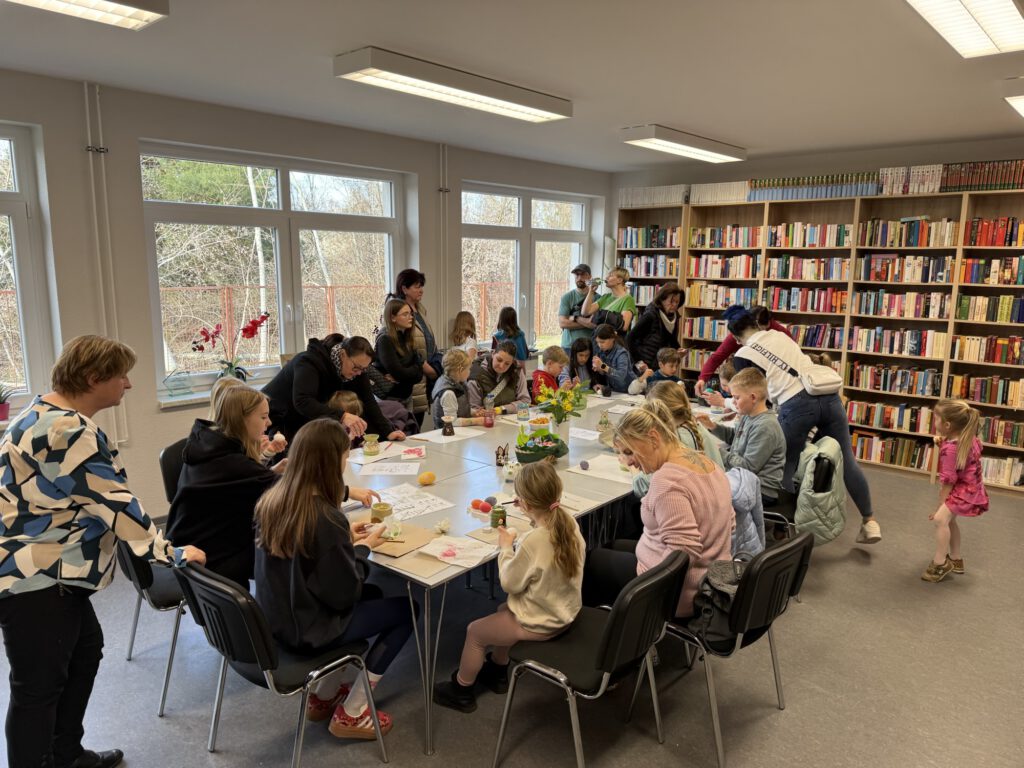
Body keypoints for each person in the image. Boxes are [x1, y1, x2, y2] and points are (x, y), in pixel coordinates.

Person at [0, 335, 206, 768]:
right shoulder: (66, 431)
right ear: (94, 378)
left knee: (84, 651)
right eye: (121, 376)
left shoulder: (43, 412)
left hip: (50, 571)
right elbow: (115, 505)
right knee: (36, 689)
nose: (128, 384)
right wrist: (174, 554)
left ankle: (66, 753)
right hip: (37, 578)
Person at [254, 419, 416, 740]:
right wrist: (363, 549)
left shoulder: (273, 500)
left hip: (276, 622)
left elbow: (308, 557)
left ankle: (324, 695)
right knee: (408, 610)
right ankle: (353, 712)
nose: (346, 460)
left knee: (374, 594)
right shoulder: (326, 518)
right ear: (332, 462)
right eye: (345, 455)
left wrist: (345, 541)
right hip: (308, 630)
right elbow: (345, 593)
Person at [432, 462, 585, 713]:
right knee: (504, 610)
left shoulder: (534, 540)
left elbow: (510, 584)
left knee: (475, 632)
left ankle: (461, 690)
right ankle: (498, 670)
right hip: (564, 610)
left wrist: (506, 548)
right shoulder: (568, 522)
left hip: (544, 622)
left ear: (524, 504)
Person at [727, 307, 882, 544]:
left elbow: (751, 395)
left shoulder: (744, 354)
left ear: (735, 338)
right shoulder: (779, 335)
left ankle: (781, 529)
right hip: (828, 396)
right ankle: (869, 521)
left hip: (795, 403)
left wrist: (731, 406)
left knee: (785, 464)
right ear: (757, 326)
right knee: (847, 459)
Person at [583, 402, 733, 618]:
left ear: (654, 438)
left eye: (629, 452)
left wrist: (647, 587)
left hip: (680, 592)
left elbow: (682, 555)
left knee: (590, 560)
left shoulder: (667, 482)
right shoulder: (707, 462)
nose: (629, 462)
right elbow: (730, 523)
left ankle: (617, 633)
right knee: (611, 545)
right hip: (711, 577)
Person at [166, 387, 287, 589]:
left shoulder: (207, 444)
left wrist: (271, 472)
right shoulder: (232, 464)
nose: (269, 423)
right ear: (242, 419)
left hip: (189, 548)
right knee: (289, 551)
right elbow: (292, 493)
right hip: (211, 561)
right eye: (263, 417)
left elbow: (249, 481)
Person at [263, 334, 406, 444]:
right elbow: (303, 402)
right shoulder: (309, 362)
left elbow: (368, 402)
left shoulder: (357, 370)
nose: (358, 373)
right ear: (343, 354)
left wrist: (387, 432)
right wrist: (342, 415)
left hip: (303, 419)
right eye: (356, 368)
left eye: (364, 369)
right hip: (277, 417)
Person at [696, 368, 786, 506]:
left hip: (760, 490)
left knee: (702, 494)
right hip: (744, 480)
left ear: (753, 398)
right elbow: (736, 437)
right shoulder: (748, 415)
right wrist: (712, 426)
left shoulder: (766, 426)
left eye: (737, 398)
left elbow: (748, 467)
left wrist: (716, 451)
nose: (733, 402)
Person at [922, 399, 989, 583]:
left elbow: (948, 481)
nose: (934, 422)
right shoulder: (967, 437)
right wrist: (943, 443)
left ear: (948, 425)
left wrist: (939, 506)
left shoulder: (951, 449)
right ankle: (956, 559)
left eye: (936, 419)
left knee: (940, 519)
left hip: (963, 490)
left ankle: (940, 563)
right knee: (949, 521)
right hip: (973, 487)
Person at [632, 381, 724, 499]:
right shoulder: (695, 426)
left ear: (658, 415)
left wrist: (633, 467)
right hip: (717, 499)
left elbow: (643, 487)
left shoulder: (676, 440)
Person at [696, 305, 788, 398]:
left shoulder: (780, 333)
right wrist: (702, 379)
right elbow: (717, 357)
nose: (759, 334)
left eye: (763, 330)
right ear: (753, 324)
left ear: (769, 324)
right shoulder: (740, 334)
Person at [386, 269, 439, 414]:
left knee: (419, 419)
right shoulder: (397, 314)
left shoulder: (420, 310)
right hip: (413, 376)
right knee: (411, 420)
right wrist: (424, 367)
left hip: (424, 375)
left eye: (421, 286)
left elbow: (428, 341)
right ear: (404, 289)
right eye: (417, 286)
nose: (421, 290)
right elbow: (400, 348)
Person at [374, 300, 424, 410]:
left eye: (410, 313)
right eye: (405, 314)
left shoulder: (406, 336)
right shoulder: (385, 339)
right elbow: (399, 372)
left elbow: (419, 375)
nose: (411, 317)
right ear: (393, 318)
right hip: (390, 399)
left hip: (406, 396)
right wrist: (415, 369)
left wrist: (405, 374)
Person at [626, 282, 684, 370]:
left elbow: (670, 338)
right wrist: (638, 362)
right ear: (662, 299)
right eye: (671, 301)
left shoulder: (674, 316)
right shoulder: (651, 315)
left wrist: (678, 349)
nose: (675, 305)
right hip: (645, 364)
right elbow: (630, 338)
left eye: (677, 302)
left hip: (661, 364)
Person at [467, 340, 531, 411]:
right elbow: (474, 410)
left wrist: (501, 410)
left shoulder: (516, 371)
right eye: (499, 360)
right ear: (493, 354)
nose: (501, 366)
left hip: (511, 416)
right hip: (486, 417)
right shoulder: (475, 375)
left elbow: (526, 402)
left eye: (507, 364)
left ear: (512, 362)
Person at [580, 266, 636, 333]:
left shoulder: (628, 299)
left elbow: (624, 326)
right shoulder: (605, 297)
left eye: (610, 275)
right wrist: (591, 291)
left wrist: (602, 316)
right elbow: (585, 312)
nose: (606, 277)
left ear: (619, 280)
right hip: (600, 337)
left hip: (614, 338)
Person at [557, 264, 596, 352]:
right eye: (577, 275)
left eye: (583, 275)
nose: (579, 278)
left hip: (589, 346)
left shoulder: (598, 298)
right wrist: (586, 322)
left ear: (590, 277)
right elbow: (562, 323)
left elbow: (595, 324)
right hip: (569, 347)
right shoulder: (567, 297)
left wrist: (574, 318)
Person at [591, 323, 636, 394]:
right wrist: (599, 369)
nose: (600, 345)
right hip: (615, 390)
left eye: (602, 342)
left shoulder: (621, 353)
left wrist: (602, 366)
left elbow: (621, 376)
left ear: (612, 338)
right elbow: (606, 372)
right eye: (597, 342)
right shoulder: (601, 351)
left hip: (630, 390)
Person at [431, 349, 473, 424]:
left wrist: (475, 412)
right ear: (460, 370)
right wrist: (478, 421)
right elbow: (452, 422)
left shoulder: (457, 383)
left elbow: (459, 410)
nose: (469, 372)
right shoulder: (448, 393)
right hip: (447, 431)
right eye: (468, 369)